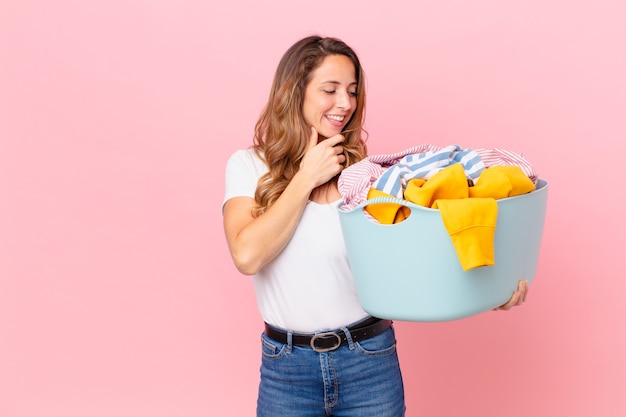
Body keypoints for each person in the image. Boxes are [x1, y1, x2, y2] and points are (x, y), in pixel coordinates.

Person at [222, 35, 528, 417]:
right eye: (329, 90)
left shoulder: (364, 176)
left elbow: (410, 261)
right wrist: (306, 176)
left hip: (368, 361)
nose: (345, 103)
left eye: (352, 91)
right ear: (293, 93)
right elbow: (247, 255)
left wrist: (489, 292)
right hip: (286, 369)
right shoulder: (249, 166)